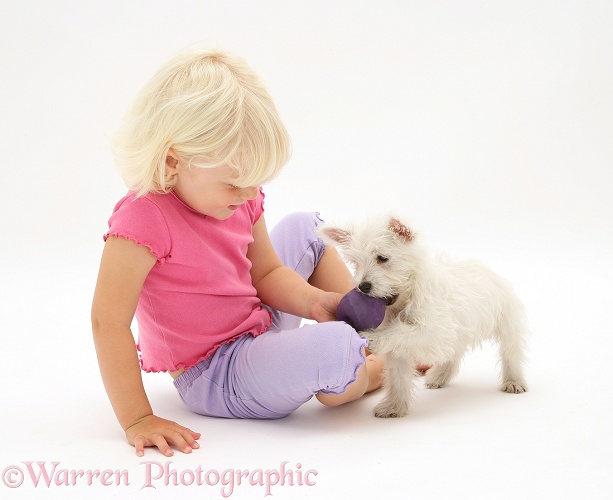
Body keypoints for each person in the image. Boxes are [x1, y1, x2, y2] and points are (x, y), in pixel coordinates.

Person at [91, 49, 385, 457]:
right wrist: (138, 418)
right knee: (334, 345)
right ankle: (368, 369)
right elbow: (108, 322)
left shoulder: (240, 197)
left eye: (256, 180)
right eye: (234, 184)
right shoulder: (143, 218)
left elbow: (264, 275)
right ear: (173, 160)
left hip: (257, 322)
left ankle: (375, 334)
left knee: (307, 227)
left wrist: (316, 302)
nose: (250, 194)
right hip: (217, 372)